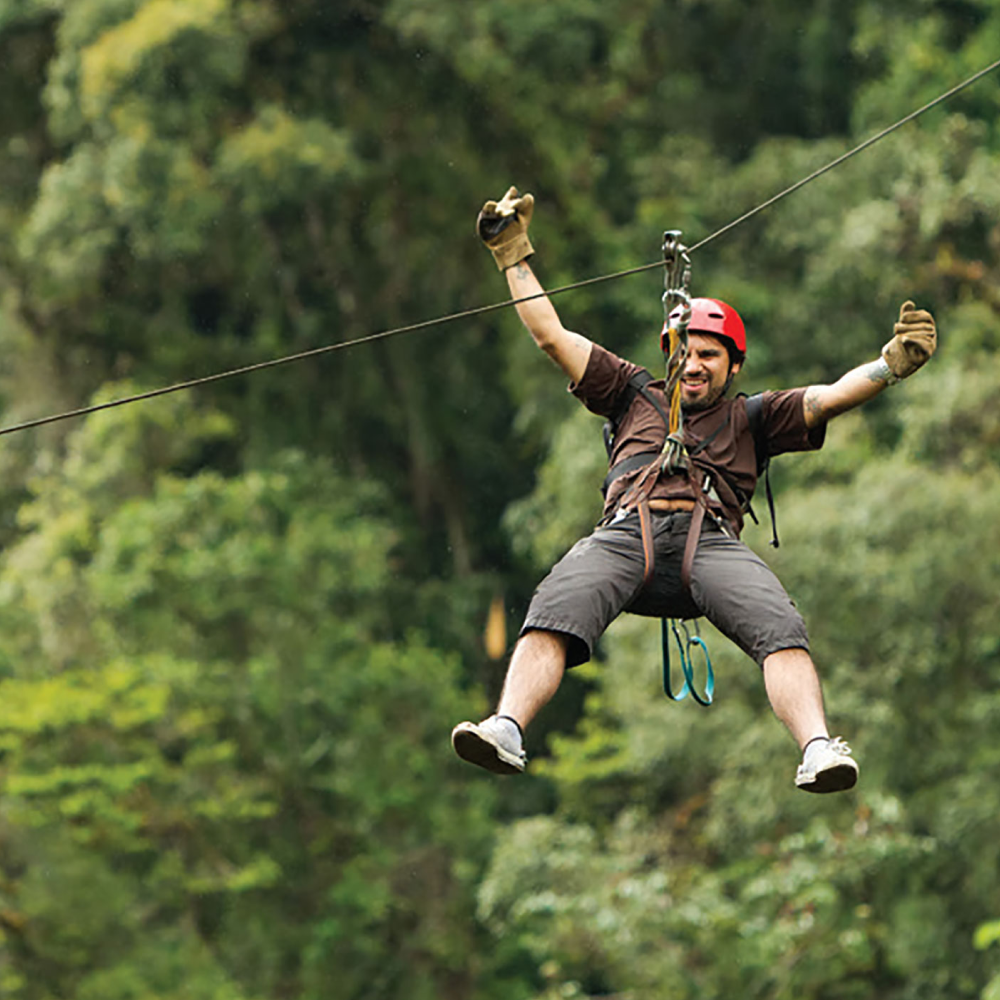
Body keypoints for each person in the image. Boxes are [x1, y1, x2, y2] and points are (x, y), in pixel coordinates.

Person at [452, 186, 937, 793]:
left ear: (732, 366)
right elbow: (552, 336)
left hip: (709, 545)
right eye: (686, 353)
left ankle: (816, 747)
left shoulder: (753, 417)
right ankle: (507, 727)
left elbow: (830, 396)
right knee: (554, 606)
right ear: (669, 356)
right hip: (627, 534)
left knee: (779, 626)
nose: (696, 364)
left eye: (710, 355)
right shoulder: (632, 393)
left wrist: (889, 365)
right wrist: (512, 253)